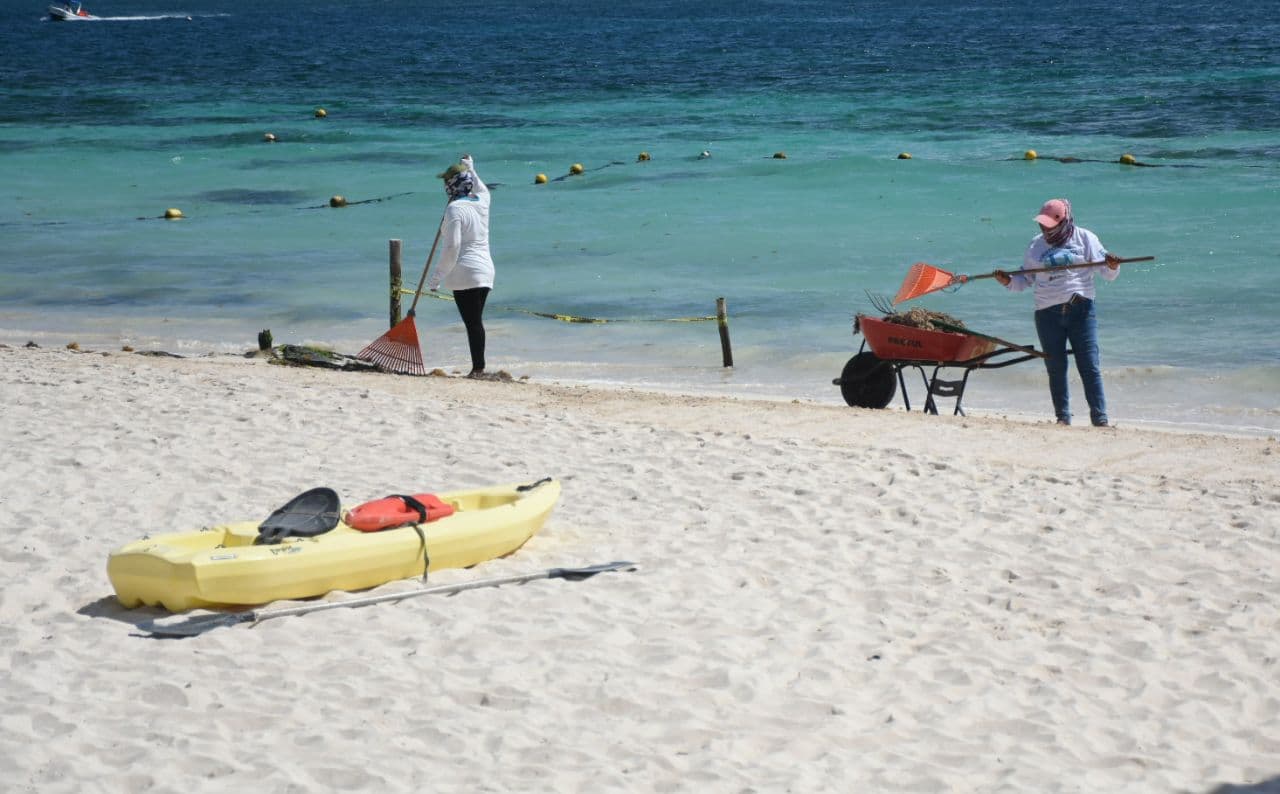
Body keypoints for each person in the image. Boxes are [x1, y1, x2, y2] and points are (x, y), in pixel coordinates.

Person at [994, 198, 1122, 427]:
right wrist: (1007, 281)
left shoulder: (1085, 238)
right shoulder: (1036, 245)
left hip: (1081, 310)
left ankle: (1100, 419)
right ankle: (1063, 418)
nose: (1044, 229)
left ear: (1063, 221)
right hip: (1047, 314)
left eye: (1048, 225)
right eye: (1041, 224)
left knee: (1089, 365)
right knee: (1056, 367)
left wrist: (1112, 265)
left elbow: (1108, 274)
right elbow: (1024, 280)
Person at [428, 154, 494, 378]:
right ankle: (478, 367)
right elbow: (481, 186)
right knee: (476, 321)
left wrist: (437, 277)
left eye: (445, 182)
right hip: (485, 272)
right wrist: (472, 169)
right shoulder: (483, 201)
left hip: (464, 272)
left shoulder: (454, 210)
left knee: (473, 322)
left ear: (450, 185)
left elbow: (452, 248)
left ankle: (478, 369)